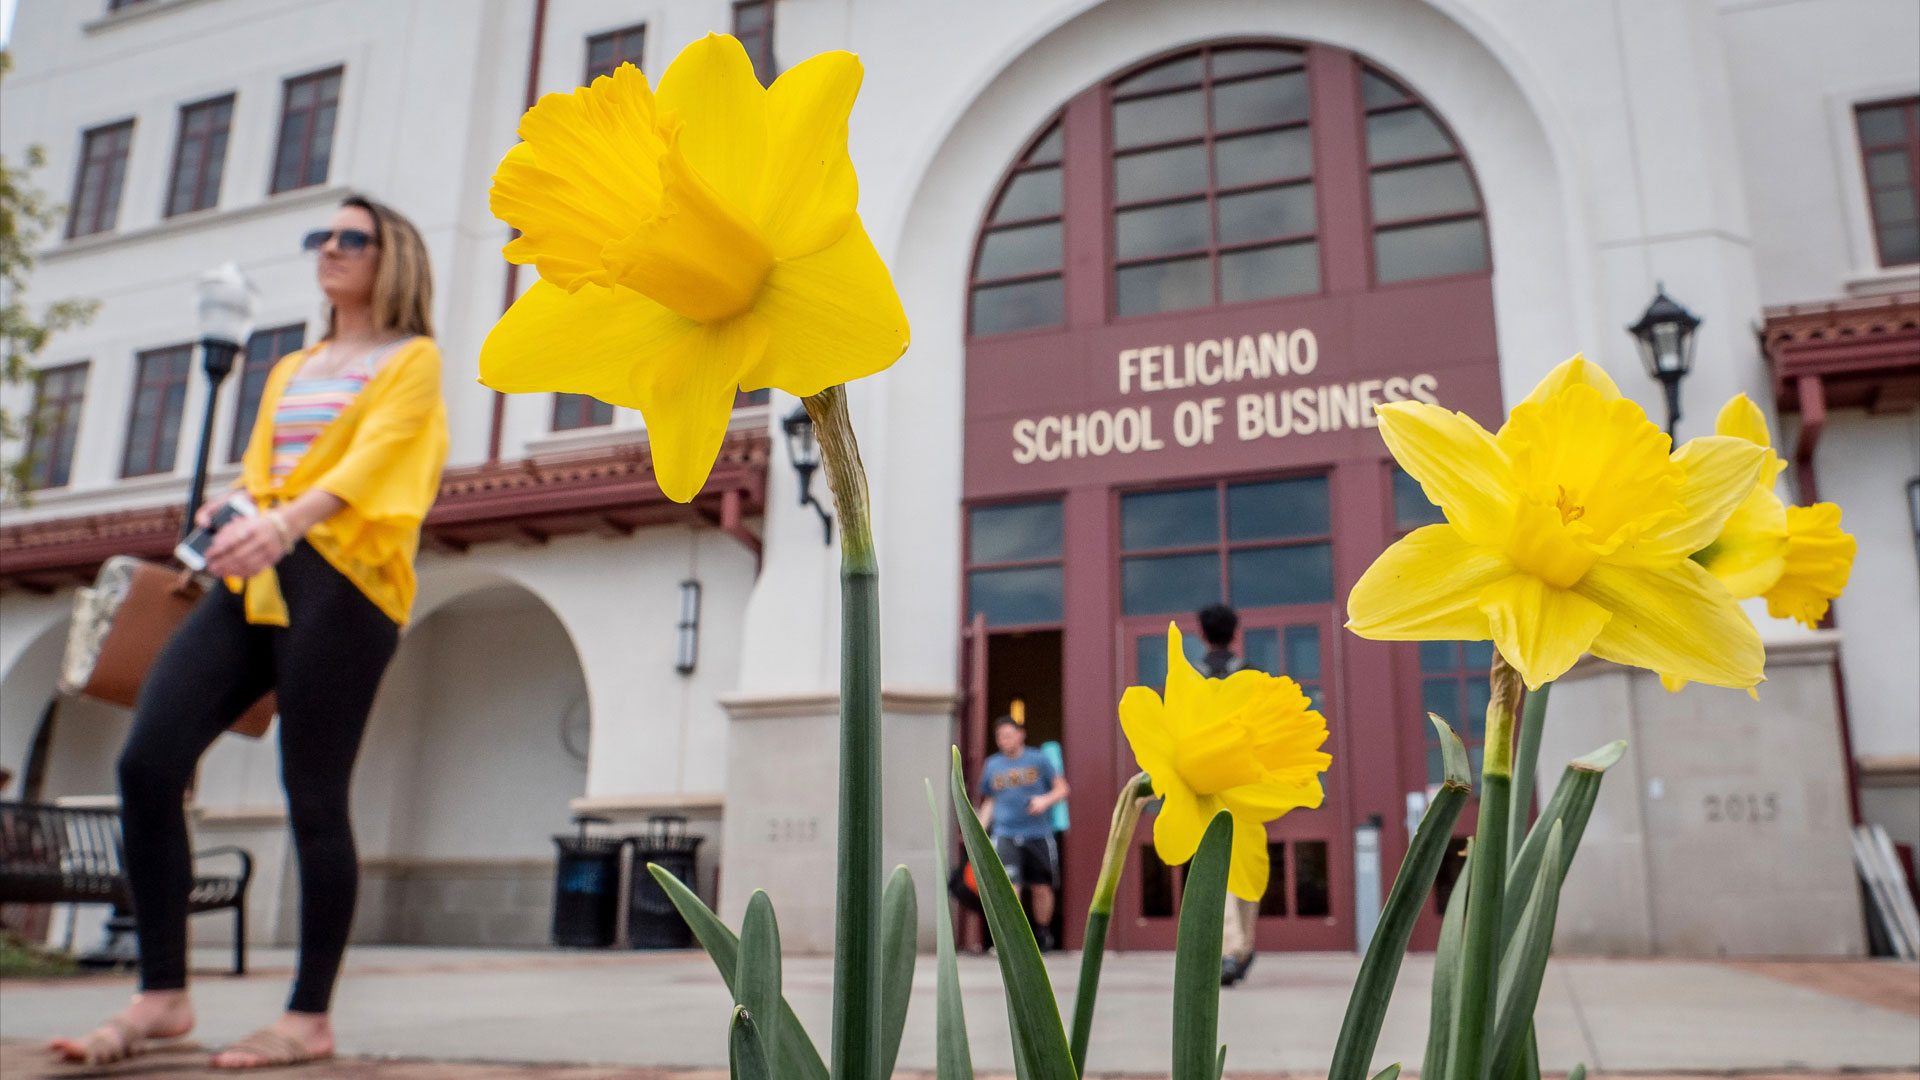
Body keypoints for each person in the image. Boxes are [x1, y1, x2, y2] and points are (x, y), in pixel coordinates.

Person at [51, 195, 448, 1069]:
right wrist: (235, 506)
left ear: (394, 257)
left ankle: (309, 1017)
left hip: (347, 585)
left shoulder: (411, 360)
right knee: (147, 762)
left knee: (314, 795)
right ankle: (162, 997)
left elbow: (376, 461)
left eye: (353, 238)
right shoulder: (292, 367)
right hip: (258, 572)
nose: (331, 250)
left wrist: (285, 520)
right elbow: (266, 465)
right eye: (323, 237)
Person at [1199, 603, 1261, 987]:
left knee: (1219, 861)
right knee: (1245, 860)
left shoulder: (1193, 676)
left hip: (1209, 778)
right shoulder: (1251, 674)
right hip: (1246, 779)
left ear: (1202, 634)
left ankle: (1230, 951)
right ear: (1235, 633)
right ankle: (1242, 945)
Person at [975, 715, 1070, 951]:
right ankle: (1011, 942)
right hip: (1005, 834)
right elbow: (990, 801)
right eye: (999, 737)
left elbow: (1062, 788)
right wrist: (977, 830)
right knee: (1009, 888)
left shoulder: (1038, 760)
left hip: (1038, 834)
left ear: (1020, 735)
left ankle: (1042, 936)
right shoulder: (992, 765)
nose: (1003, 740)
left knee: (1041, 888)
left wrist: (1044, 800)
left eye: (1007, 735)